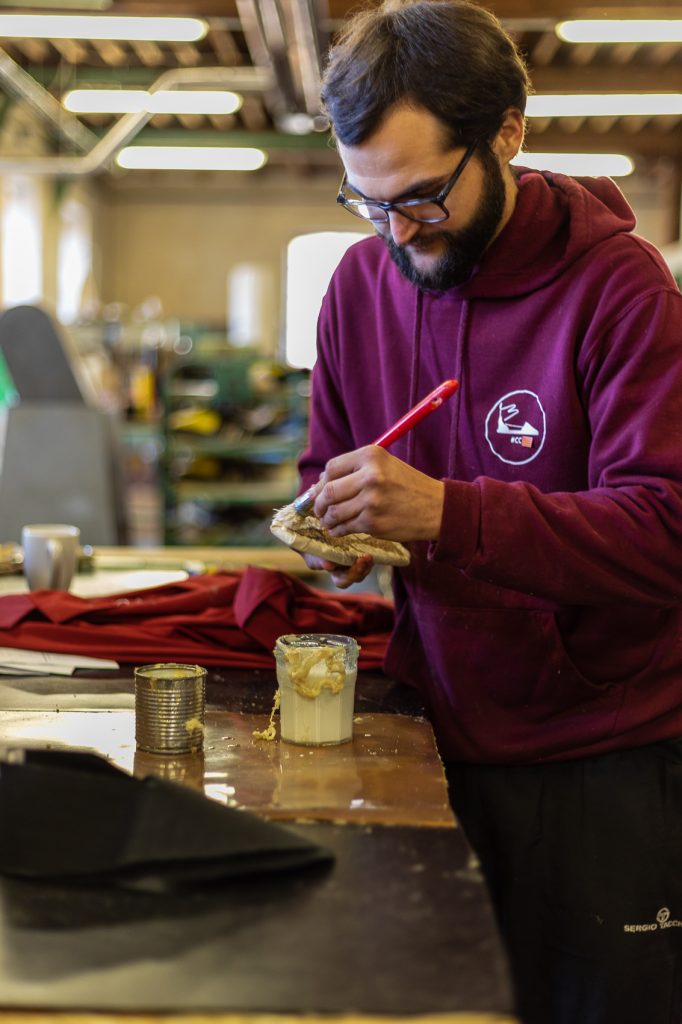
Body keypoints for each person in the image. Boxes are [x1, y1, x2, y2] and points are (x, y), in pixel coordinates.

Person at [293, 1, 682, 1022]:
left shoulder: (620, 288)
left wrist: (449, 514)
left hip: (601, 753)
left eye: (422, 196)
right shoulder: (358, 284)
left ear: (506, 130)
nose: (398, 232)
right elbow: (324, 465)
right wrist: (332, 534)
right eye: (367, 202)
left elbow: (668, 531)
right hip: (428, 736)